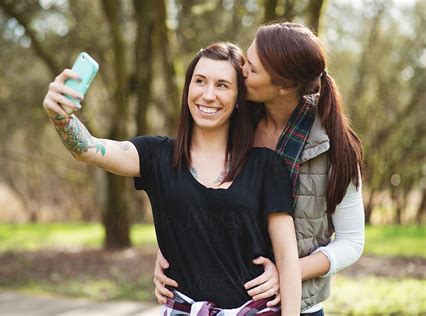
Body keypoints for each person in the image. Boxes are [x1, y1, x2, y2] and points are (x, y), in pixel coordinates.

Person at [42, 42, 301, 315]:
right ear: (188, 88)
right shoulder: (157, 156)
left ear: (238, 99)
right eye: (200, 81)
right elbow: (88, 149)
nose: (208, 94)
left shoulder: (265, 165)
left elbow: (287, 258)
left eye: (222, 85)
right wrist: (60, 118)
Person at [153, 23, 365, 315]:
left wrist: (288, 271)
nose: (241, 72)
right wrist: (170, 253)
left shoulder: (335, 147)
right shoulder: (233, 123)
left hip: (298, 306)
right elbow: (195, 194)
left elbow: (352, 242)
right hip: (229, 301)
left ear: (284, 86)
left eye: (251, 69)